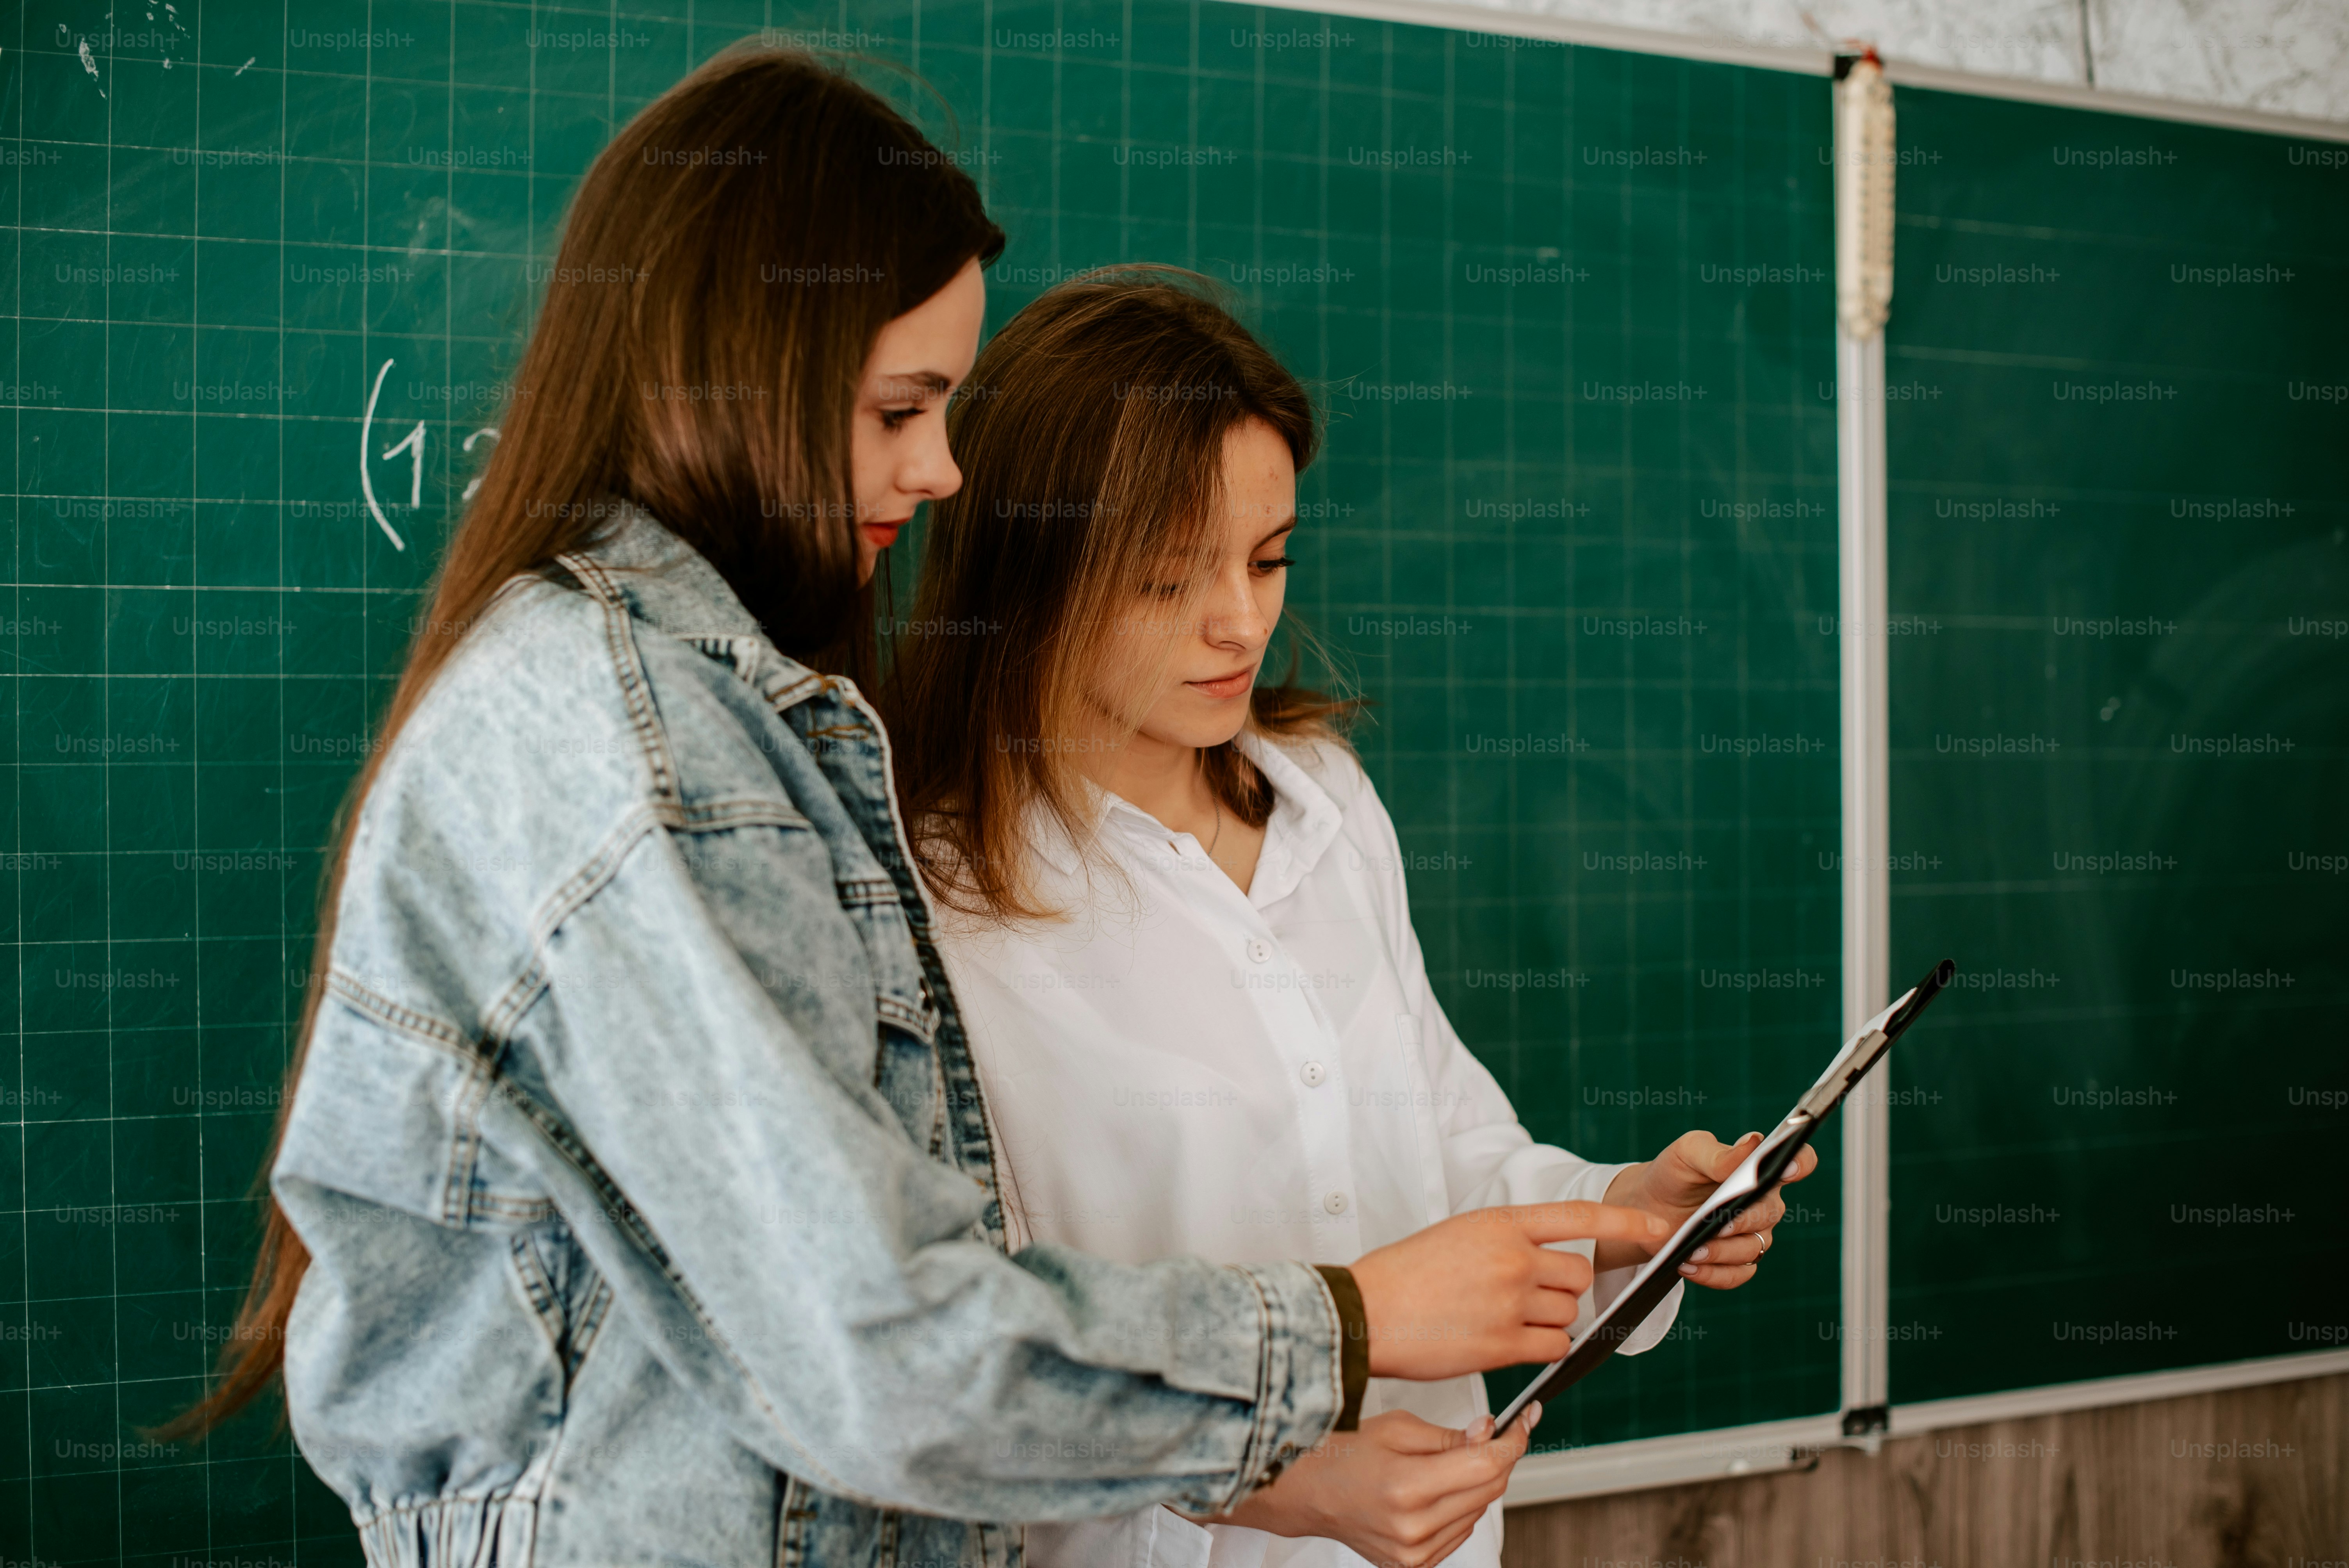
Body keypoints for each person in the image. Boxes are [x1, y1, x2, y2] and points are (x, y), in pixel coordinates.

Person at [166, 50, 1671, 1568]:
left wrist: (1611, 1221)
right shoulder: (643, 748)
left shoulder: (713, 716)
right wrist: (1347, 1328)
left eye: (1268, 559)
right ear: (742, 372)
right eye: (902, 406)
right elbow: (878, 1336)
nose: (943, 468)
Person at [888, 269, 1819, 1568]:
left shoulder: (1321, 799)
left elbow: (1441, 1147)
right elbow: (965, 1361)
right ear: (1031, 571)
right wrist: (1283, 1481)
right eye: (1167, 580)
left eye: (1269, 558)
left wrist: (1627, 1214)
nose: (1241, 621)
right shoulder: (936, 901)